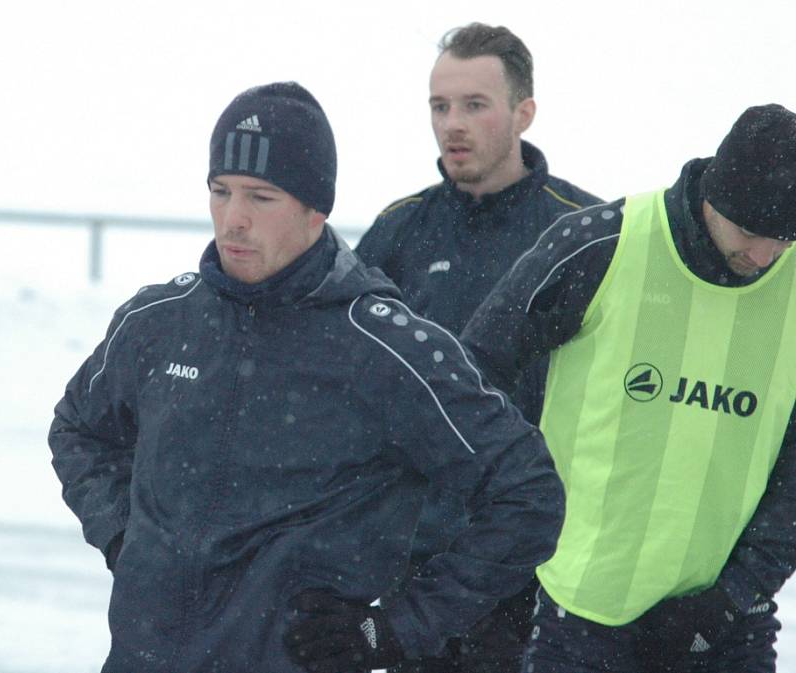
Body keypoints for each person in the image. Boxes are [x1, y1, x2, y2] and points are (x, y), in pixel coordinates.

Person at [47, 81, 564, 673]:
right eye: (221, 192)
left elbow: (527, 493)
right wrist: (125, 538)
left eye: (261, 197)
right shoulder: (159, 322)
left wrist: (396, 627)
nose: (233, 220)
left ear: (316, 209)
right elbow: (77, 429)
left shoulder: (383, 346)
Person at [461, 103, 796, 672]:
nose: (764, 256)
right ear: (713, 194)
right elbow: (470, 379)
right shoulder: (603, 245)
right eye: (750, 231)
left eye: (785, 238)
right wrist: (514, 527)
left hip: (724, 620)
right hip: (582, 613)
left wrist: (734, 594)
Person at [355, 22, 600, 672]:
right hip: (423, 570)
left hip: (548, 569)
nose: (451, 124)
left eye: (474, 104)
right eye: (440, 106)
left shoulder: (586, 233)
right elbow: (348, 390)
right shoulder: (397, 233)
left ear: (524, 111)